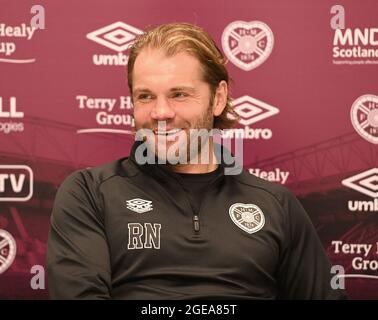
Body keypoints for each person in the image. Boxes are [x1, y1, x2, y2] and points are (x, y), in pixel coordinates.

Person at [47, 22, 347, 299]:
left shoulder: (276, 204)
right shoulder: (89, 193)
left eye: (179, 94)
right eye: (145, 96)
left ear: (218, 99)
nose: (160, 112)